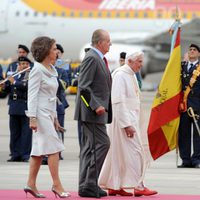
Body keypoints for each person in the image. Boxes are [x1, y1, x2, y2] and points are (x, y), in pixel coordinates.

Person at [99, 51, 158, 197]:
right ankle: (138, 185)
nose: (141, 64)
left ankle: (114, 185)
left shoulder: (129, 74)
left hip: (129, 119)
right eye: (139, 61)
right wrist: (127, 125)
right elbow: (118, 101)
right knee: (136, 153)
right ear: (130, 61)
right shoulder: (120, 75)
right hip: (123, 122)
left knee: (119, 154)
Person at [24, 36, 70, 198]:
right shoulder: (37, 69)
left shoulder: (51, 69)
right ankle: (57, 185)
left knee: (37, 152)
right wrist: (32, 117)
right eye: (53, 48)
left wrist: (55, 118)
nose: (56, 51)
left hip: (48, 114)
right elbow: (32, 95)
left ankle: (30, 183)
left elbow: (51, 96)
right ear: (45, 51)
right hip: (39, 114)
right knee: (54, 149)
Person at [74, 29, 112, 198]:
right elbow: (83, 86)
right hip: (91, 113)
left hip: (93, 113)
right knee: (102, 144)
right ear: (99, 42)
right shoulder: (92, 58)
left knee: (90, 149)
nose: (110, 44)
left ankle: (86, 186)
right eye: (108, 41)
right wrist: (95, 105)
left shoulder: (97, 58)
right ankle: (89, 183)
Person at [5, 57, 32, 162]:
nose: (23, 65)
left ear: (29, 65)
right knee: (14, 132)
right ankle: (15, 154)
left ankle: (25, 155)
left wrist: (14, 82)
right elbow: (8, 91)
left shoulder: (30, 75)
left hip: (25, 107)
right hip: (14, 107)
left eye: (25, 63)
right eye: (21, 64)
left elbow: (27, 86)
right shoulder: (15, 75)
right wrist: (4, 86)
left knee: (26, 133)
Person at [178, 43, 200, 168]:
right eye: (190, 49)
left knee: (197, 134)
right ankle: (185, 160)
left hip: (197, 105)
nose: (191, 51)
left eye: (194, 50)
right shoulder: (182, 66)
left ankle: (196, 160)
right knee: (184, 134)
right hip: (184, 106)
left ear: (198, 54)